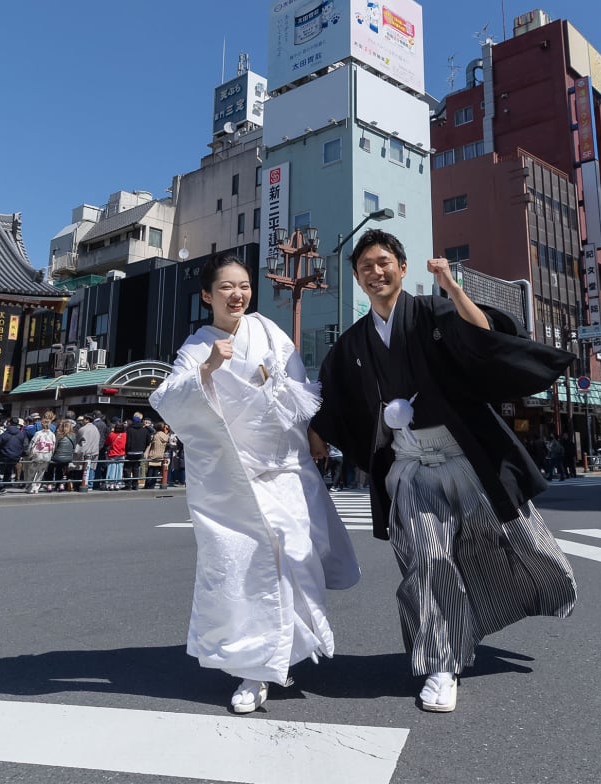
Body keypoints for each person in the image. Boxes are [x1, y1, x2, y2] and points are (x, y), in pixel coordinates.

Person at [309, 231, 577, 714]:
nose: (376, 271)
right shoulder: (352, 342)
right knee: (428, 560)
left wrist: (452, 288)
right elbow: (330, 400)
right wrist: (310, 439)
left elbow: (484, 340)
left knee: (509, 547)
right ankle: (442, 662)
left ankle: (527, 598)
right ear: (356, 277)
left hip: (465, 457)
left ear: (403, 267)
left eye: (384, 262)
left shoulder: (433, 313)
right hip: (411, 468)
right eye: (366, 265)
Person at [151, 252, 359, 715]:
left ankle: (280, 655)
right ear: (207, 296)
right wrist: (206, 369)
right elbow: (168, 399)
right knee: (244, 568)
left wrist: (312, 431)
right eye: (226, 287)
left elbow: (300, 387)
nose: (237, 294)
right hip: (233, 479)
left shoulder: (267, 331)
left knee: (294, 555)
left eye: (243, 285)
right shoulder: (195, 347)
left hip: (284, 467)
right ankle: (255, 668)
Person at [25, 415, 56, 493]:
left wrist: (29, 453)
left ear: (41, 425)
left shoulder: (38, 433)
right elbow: (53, 446)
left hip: (37, 455)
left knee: (32, 472)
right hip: (47, 455)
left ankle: (29, 487)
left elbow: (32, 444)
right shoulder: (52, 434)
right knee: (41, 473)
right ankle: (36, 488)